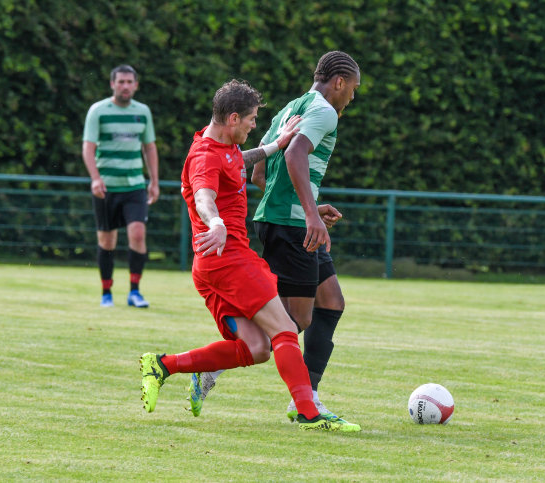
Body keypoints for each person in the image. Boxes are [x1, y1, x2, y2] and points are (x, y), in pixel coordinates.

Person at [139, 79, 356, 432]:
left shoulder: (219, 145)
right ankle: (309, 412)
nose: (255, 126)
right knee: (285, 329)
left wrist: (275, 145)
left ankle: (162, 365)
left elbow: (237, 161)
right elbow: (204, 196)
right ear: (234, 118)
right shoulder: (205, 157)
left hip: (213, 264)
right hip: (228, 258)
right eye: (252, 119)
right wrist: (215, 223)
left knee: (256, 348)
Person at [82, 64, 159, 309]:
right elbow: (88, 148)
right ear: (112, 84)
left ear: (136, 85)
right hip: (106, 187)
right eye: (121, 82)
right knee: (107, 241)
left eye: (129, 82)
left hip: (134, 186)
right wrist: (95, 178)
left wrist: (154, 181)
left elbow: (149, 147)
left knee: (138, 234)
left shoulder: (143, 112)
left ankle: (135, 292)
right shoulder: (98, 111)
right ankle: (106, 292)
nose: (125, 86)